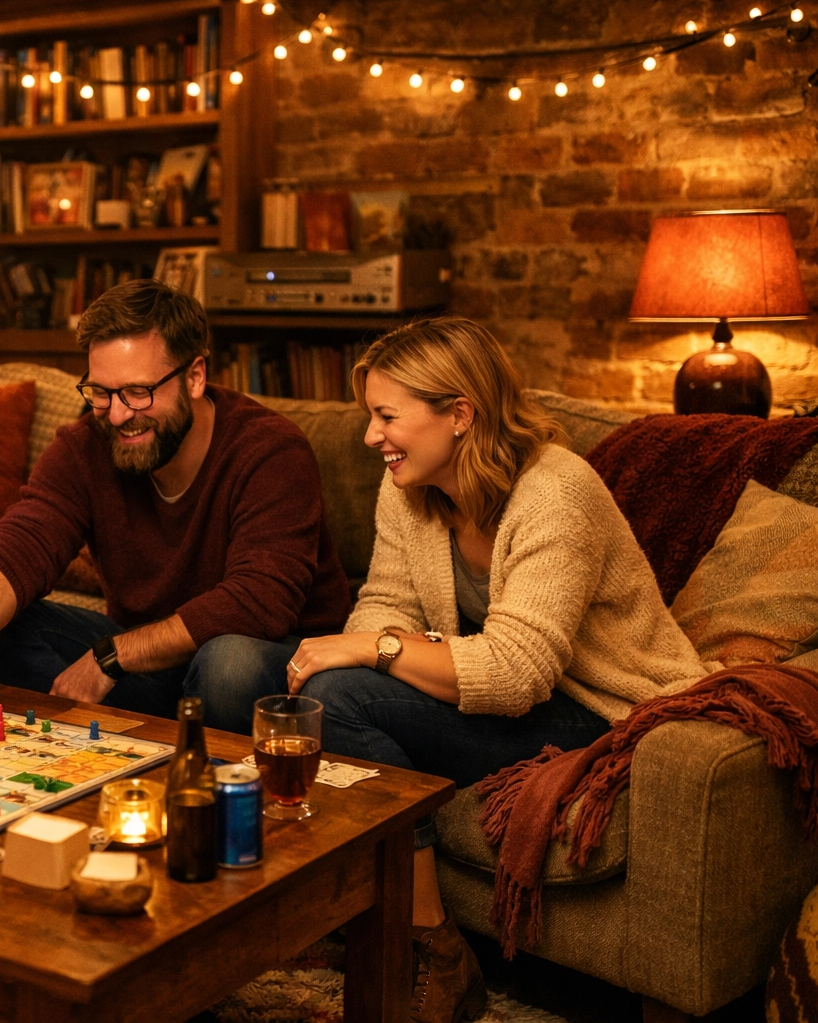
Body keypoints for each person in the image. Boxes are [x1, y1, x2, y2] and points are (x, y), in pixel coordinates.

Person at [221, 317, 710, 1023]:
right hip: (475, 681)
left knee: (336, 693)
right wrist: (373, 647)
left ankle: (433, 944)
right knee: (239, 670)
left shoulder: (555, 493)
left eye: (387, 417)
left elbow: (518, 673)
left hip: (592, 709)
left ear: (459, 415)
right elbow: (384, 602)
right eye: (370, 417)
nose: (370, 438)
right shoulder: (411, 486)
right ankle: (324, 905)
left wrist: (374, 652)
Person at [0, 278, 352, 726]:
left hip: (266, 665)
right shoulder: (85, 446)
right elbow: (19, 543)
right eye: (100, 392)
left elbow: (258, 603)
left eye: (137, 392)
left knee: (227, 663)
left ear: (194, 376)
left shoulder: (270, 449)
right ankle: (121, 747)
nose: (117, 415)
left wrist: (112, 656)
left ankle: (199, 777)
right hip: (148, 666)